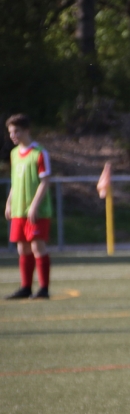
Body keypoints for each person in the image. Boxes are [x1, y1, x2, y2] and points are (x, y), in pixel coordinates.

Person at [5, 114, 53, 299]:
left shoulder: (39, 153)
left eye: (16, 131)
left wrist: (34, 205)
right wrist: (9, 202)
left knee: (37, 246)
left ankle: (44, 289)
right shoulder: (14, 154)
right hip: (19, 209)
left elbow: (45, 181)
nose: (13, 135)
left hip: (36, 211)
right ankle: (26, 287)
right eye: (11, 132)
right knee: (22, 249)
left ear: (27, 130)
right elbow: (15, 182)